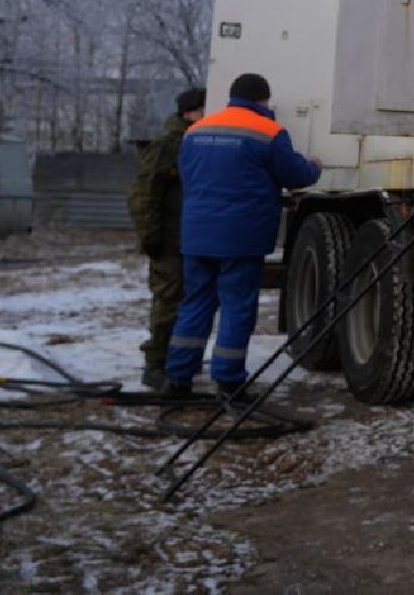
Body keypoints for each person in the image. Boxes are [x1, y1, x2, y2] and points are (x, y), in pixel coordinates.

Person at [162, 73, 321, 403]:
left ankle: (177, 379)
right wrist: (314, 166)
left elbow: (189, 176)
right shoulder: (268, 132)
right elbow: (296, 176)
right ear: (263, 100)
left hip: (197, 234)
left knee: (196, 303)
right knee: (236, 305)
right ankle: (229, 380)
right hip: (241, 235)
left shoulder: (195, 131)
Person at [127, 86, 207, 389]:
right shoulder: (168, 145)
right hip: (170, 241)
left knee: (189, 301)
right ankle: (155, 365)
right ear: (191, 111)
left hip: (189, 238)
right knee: (169, 302)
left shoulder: (191, 141)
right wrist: (150, 237)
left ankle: (181, 360)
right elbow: (143, 194)